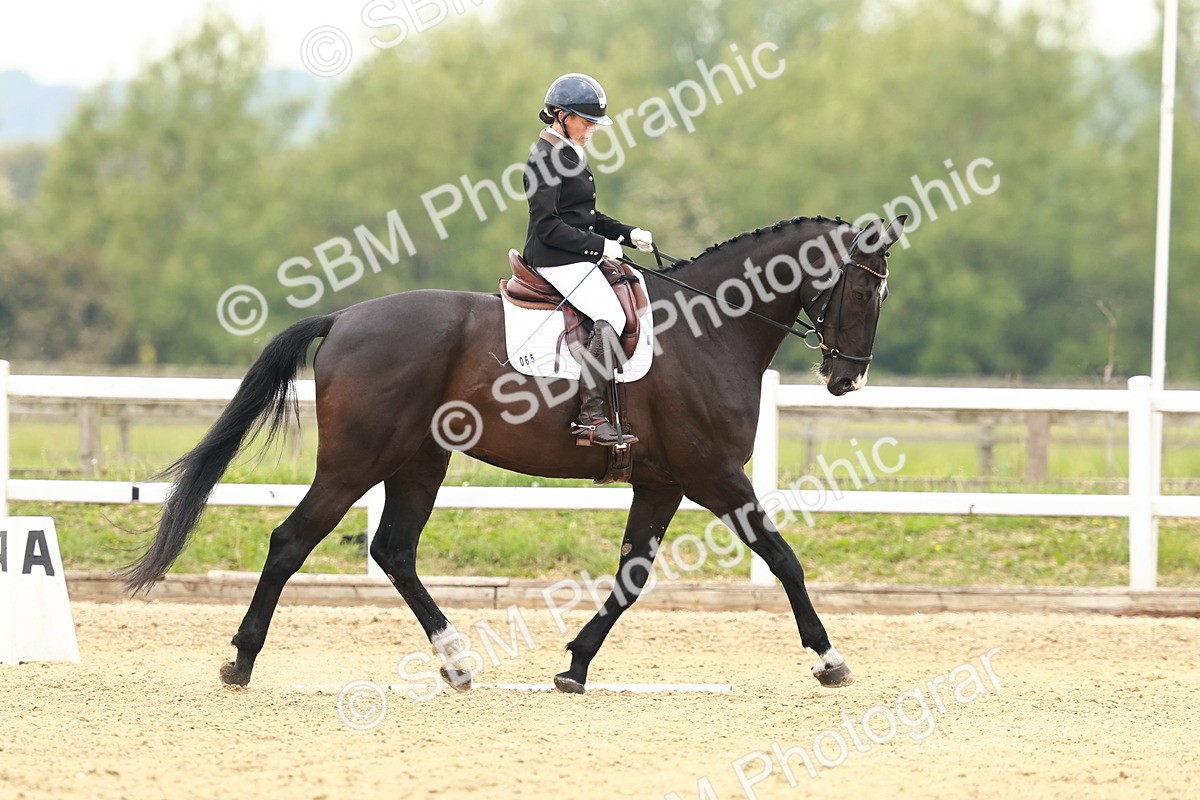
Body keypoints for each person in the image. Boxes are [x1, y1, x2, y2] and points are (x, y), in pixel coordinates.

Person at [522, 72, 655, 447]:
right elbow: (548, 226)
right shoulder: (544, 160)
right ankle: (591, 419)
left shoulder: (569, 153)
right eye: (587, 121)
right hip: (553, 257)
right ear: (561, 116)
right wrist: (599, 247)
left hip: (574, 253)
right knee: (611, 315)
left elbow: (585, 216)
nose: (593, 128)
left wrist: (627, 233)